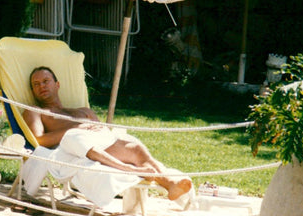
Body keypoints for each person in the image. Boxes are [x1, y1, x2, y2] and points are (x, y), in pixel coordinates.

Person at [22, 66, 193, 202]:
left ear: (57, 84)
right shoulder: (35, 111)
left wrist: (87, 126)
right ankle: (127, 168)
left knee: (135, 147)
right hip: (72, 147)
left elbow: (104, 133)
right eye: (36, 84)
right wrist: (77, 129)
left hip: (101, 143)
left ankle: (170, 183)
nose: (41, 86)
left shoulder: (84, 111)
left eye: (46, 81)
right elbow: (39, 140)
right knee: (75, 137)